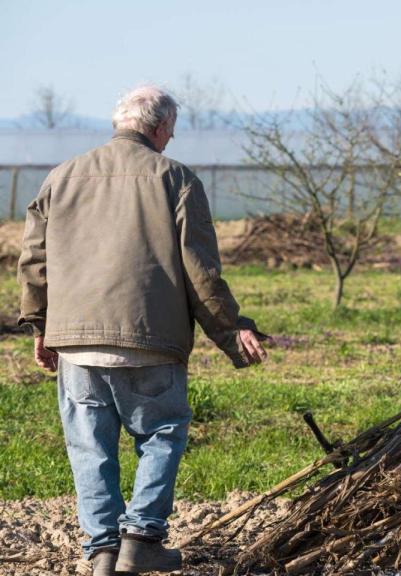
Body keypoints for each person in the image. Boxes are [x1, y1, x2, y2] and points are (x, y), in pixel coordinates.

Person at [17, 85, 268, 576]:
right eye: (171, 130)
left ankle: (102, 553)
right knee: (163, 434)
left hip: (77, 344)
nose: (171, 139)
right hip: (149, 340)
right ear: (157, 127)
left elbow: (34, 262)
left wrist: (41, 327)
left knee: (89, 447)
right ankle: (142, 538)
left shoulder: (61, 177)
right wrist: (231, 330)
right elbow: (200, 270)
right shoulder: (176, 179)